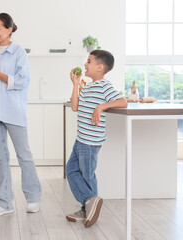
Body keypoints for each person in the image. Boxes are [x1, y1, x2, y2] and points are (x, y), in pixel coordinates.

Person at [0, 13, 42, 217]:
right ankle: (5, 202)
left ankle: (33, 198)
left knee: (24, 154)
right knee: (0, 157)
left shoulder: (18, 53)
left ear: (9, 29)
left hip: (11, 107)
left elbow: (23, 81)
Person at [66, 50, 128, 227]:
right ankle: (89, 204)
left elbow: (123, 101)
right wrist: (75, 84)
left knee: (87, 175)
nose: (85, 64)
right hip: (81, 139)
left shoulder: (104, 86)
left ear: (100, 68)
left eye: (89, 61)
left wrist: (102, 106)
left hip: (90, 142)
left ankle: (89, 207)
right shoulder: (89, 86)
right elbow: (75, 107)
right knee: (71, 170)